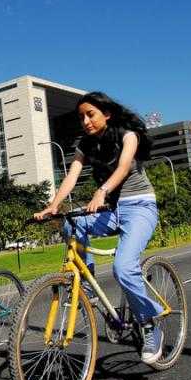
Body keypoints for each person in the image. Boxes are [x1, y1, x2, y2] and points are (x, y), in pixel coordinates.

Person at [33, 91, 165, 365]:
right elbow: (71, 176)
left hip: (139, 206)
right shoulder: (85, 144)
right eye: (81, 117)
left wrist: (102, 191)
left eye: (90, 114)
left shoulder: (127, 134)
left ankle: (149, 324)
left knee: (123, 267)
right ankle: (87, 287)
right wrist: (53, 206)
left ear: (106, 114)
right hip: (111, 210)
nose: (85, 121)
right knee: (74, 223)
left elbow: (124, 166)